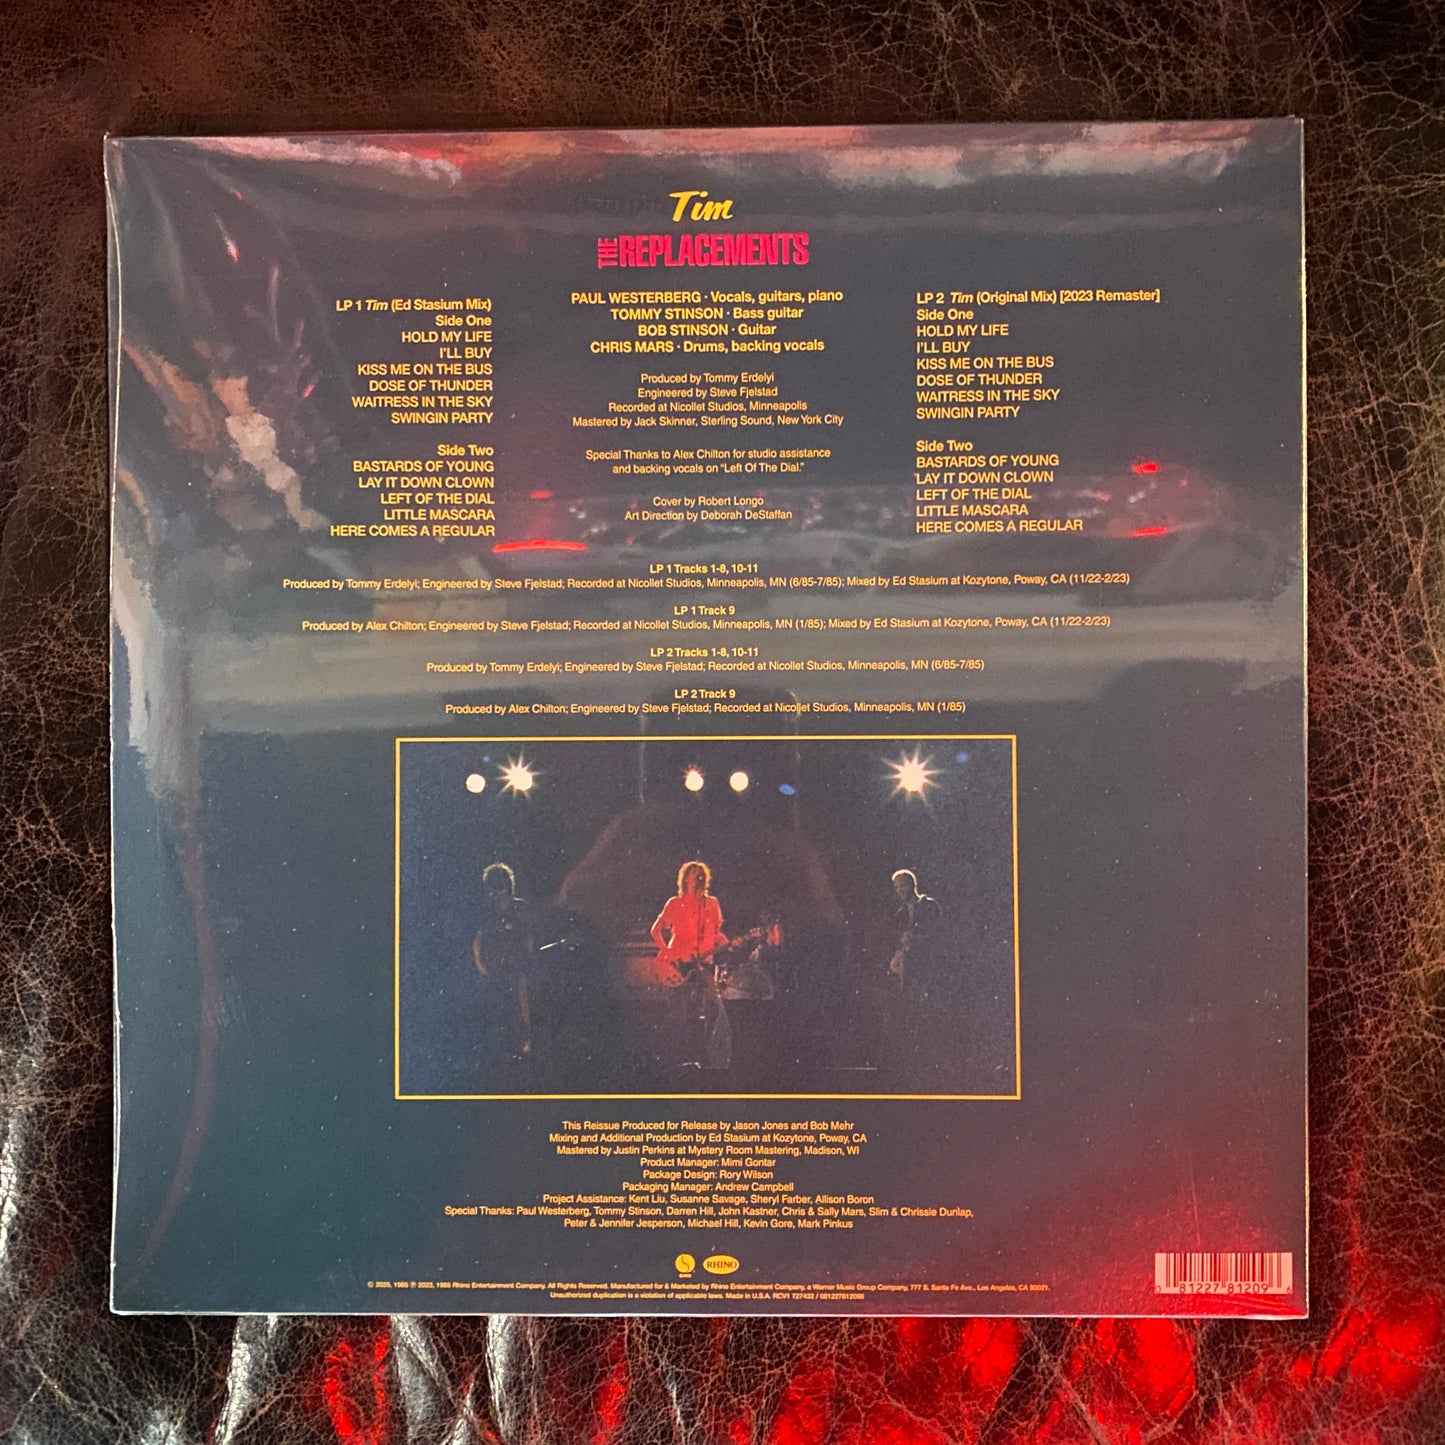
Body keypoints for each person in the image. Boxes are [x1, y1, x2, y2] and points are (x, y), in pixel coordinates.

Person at [651, 861, 732, 1070]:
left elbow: (715, 933)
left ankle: (704, 1056)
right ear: (685, 879)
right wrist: (667, 952)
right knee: (680, 1012)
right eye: (694, 874)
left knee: (714, 1007)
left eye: (701, 874)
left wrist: (727, 943)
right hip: (679, 964)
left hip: (703, 964)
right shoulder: (675, 903)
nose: (698, 877)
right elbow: (655, 930)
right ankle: (674, 1058)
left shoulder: (712, 903)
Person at [473, 862, 534, 1061]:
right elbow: (478, 940)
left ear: (507, 887)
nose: (494, 894)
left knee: (520, 1004)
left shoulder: (519, 908)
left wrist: (525, 960)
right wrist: (481, 963)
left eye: (498, 888)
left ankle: (524, 1042)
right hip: (495, 971)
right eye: (491, 889)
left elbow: (528, 938)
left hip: (516, 969)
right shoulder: (487, 912)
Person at [888, 869, 944, 1001]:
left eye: (903, 886)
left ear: (913, 886)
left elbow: (938, 931)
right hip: (908, 959)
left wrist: (915, 937)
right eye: (897, 887)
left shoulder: (928, 905)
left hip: (925, 957)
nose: (900, 891)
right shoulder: (901, 912)